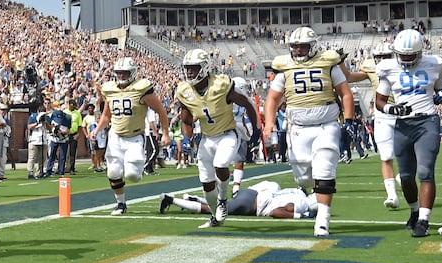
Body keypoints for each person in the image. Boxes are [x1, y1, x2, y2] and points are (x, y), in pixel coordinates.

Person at [264, 26, 356, 237]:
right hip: (298, 128)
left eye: (302, 47)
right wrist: (269, 123)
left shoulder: (328, 64)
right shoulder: (284, 67)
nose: (298, 51)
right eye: (295, 47)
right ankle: (315, 199)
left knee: (324, 170)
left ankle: (322, 221)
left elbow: (345, 94)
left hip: (326, 124)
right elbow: (273, 99)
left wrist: (349, 121)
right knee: (304, 179)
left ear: (313, 46)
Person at [175, 49, 260, 228]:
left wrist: (257, 129)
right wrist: (186, 138)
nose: (189, 72)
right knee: (206, 184)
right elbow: (186, 117)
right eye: (187, 68)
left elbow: (247, 103)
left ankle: (223, 200)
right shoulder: (184, 90)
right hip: (207, 138)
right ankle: (215, 216)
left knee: (221, 164)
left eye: (194, 68)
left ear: (204, 68)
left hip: (228, 134)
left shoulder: (221, 85)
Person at [377, 29, 442, 237]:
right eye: (403, 55)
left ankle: (424, 220)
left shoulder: (434, 64)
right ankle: (415, 212)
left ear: (420, 52)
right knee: (406, 177)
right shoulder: (387, 68)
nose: (406, 59)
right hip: (403, 125)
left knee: (425, 172)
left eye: (410, 55)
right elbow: (379, 101)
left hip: (427, 122)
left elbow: (441, 92)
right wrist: (392, 109)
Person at [90, 57, 171, 215]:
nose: (121, 76)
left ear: (133, 73)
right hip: (115, 136)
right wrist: (98, 129)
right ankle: (121, 204)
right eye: (119, 73)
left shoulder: (142, 89)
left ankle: (135, 170)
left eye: (125, 73)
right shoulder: (110, 90)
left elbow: (161, 111)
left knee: (133, 175)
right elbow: (107, 115)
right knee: (113, 172)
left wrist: (166, 133)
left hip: (134, 137)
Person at [343, 41, 400, 208]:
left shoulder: (405, 66)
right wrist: (340, 63)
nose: (382, 60)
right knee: (386, 155)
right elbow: (348, 78)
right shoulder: (371, 66)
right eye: (378, 57)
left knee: (409, 154)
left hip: (404, 113)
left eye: (386, 56)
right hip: (383, 114)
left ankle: (403, 177)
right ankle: (392, 196)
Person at [159, 180, 317, 219]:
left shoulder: (298, 193)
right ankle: (170, 200)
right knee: (213, 211)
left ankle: (195, 199)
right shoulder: (302, 204)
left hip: (250, 194)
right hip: (250, 205)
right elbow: (275, 212)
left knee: (221, 205)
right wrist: (301, 215)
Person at [26, 102, 49, 179]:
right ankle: (30, 172)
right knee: (32, 157)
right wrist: (37, 123)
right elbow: (29, 127)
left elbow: (50, 128)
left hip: (43, 139)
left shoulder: (46, 117)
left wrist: (46, 122)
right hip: (34, 139)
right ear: (38, 112)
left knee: (42, 158)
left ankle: (40, 172)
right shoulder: (33, 116)